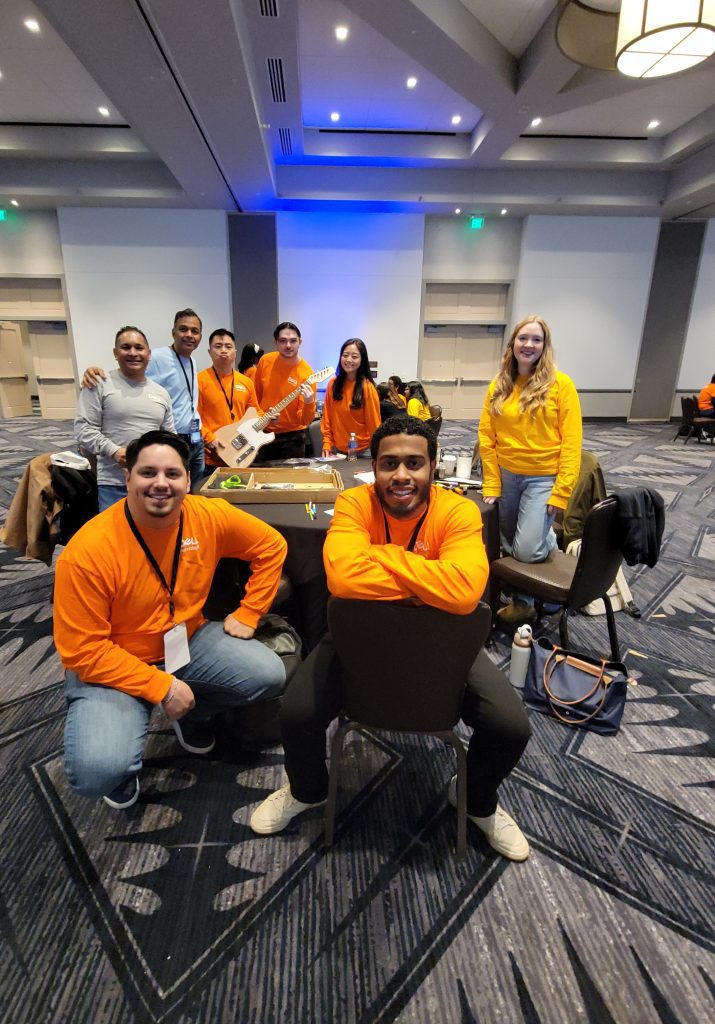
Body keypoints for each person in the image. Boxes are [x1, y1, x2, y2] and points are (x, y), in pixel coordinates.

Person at [250, 415, 532, 861]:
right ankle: (308, 791)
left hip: (444, 640)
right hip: (358, 634)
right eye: (389, 464)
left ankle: (475, 801)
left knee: (511, 727)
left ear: (433, 466)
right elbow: (342, 578)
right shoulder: (353, 504)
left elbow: (464, 593)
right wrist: (428, 580)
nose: (401, 476)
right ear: (375, 467)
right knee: (296, 713)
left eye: (414, 463)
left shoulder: (457, 511)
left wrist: (382, 558)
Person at [53, 430, 288, 810]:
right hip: (111, 662)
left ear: (188, 480)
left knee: (267, 674)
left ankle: (192, 712)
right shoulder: (88, 552)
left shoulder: (208, 515)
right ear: (127, 478)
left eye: (172, 474)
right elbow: (82, 652)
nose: (160, 484)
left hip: (185, 641)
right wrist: (160, 687)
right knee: (97, 771)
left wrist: (251, 610)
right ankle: (122, 766)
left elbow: (271, 545)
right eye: (147, 473)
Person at [478, 314, 582, 627]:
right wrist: (493, 484)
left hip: (542, 478)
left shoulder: (561, 386)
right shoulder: (500, 385)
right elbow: (487, 436)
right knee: (507, 543)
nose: (529, 344)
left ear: (544, 346)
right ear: (513, 344)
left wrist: (561, 492)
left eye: (537, 340)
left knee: (525, 548)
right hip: (508, 476)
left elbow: (572, 444)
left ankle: (547, 540)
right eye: (524, 338)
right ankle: (523, 602)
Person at [81, 308, 206, 481]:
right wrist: (92, 371)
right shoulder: (157, 357)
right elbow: (129, 372)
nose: (189, 335)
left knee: (190, 492)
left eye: (195, 331)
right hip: (169, 439)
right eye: (183, 329)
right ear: (173, 332)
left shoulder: (192, 360)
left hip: (193, 438)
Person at [74, 327, 174, 511]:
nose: (133, 353)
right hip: (114, 483)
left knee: (151, 535)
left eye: (139, 348)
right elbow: (83, 428)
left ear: (149, 353)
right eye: (126, 347)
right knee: (116, 537)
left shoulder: (161, 393)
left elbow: (170, 436)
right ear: (115, 353)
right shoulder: (98, 383)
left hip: (153, 484)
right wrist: (114, 451)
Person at [198, 329, 262, 468]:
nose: (223, 350)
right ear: (209, 352)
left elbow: (254, 415)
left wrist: (268, 418)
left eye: (228, 346)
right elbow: (194, 418)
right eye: (218, 346)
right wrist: (210, 439)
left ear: (235, 352)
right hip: (211, 457)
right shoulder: (199, 381)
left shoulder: (246, 382)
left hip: (241, 455)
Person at [253, 322, 316, 462]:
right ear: (275, 342)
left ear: (300, 342)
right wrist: (263, 416)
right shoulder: (265, 361)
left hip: (293, 439)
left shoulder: (307, 373)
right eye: (283, 341)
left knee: (291, 481)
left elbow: (305, 420)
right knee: (262, 479)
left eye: (293, 341)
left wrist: (309, 403)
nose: (288, 345)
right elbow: (255, 399)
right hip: (263, 433)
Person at [321, 338, 380, 457]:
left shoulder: (368, 388)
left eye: (354, 356)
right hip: (337, 450)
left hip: (363, 451)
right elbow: (327, 419)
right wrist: (327, 443)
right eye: (345, 355)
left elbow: (375, 425)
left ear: (362, 360)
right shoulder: (333, 384)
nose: (349, 360)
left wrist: (379, 451)